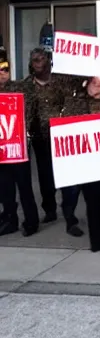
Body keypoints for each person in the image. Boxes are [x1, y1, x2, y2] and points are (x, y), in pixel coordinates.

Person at [22, 48, 84, 237]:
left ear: (49, 60)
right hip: (40, 138)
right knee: (45, 176)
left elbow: (84, 82)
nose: (38, 62)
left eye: (41, 58)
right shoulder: (27, 85)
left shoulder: (62, 80)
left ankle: (70, 217)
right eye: (34, 60)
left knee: (67, 178)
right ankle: (49, 210)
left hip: (63, 136)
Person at [62, 77, 100, 253]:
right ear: (86, 83)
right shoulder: (77, 103)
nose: (98, 86)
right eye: (94, 82)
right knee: (93, 201)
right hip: (88, 161)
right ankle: (97, 242)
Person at [0, 58, 39, 237]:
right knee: (5, 187)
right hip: (1, 149)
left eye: (5, 68)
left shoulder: (21, 88)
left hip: (18, 147)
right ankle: (10, 220)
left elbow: (30, 111)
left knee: (24, 187)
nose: (2, 72)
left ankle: (31, 222)